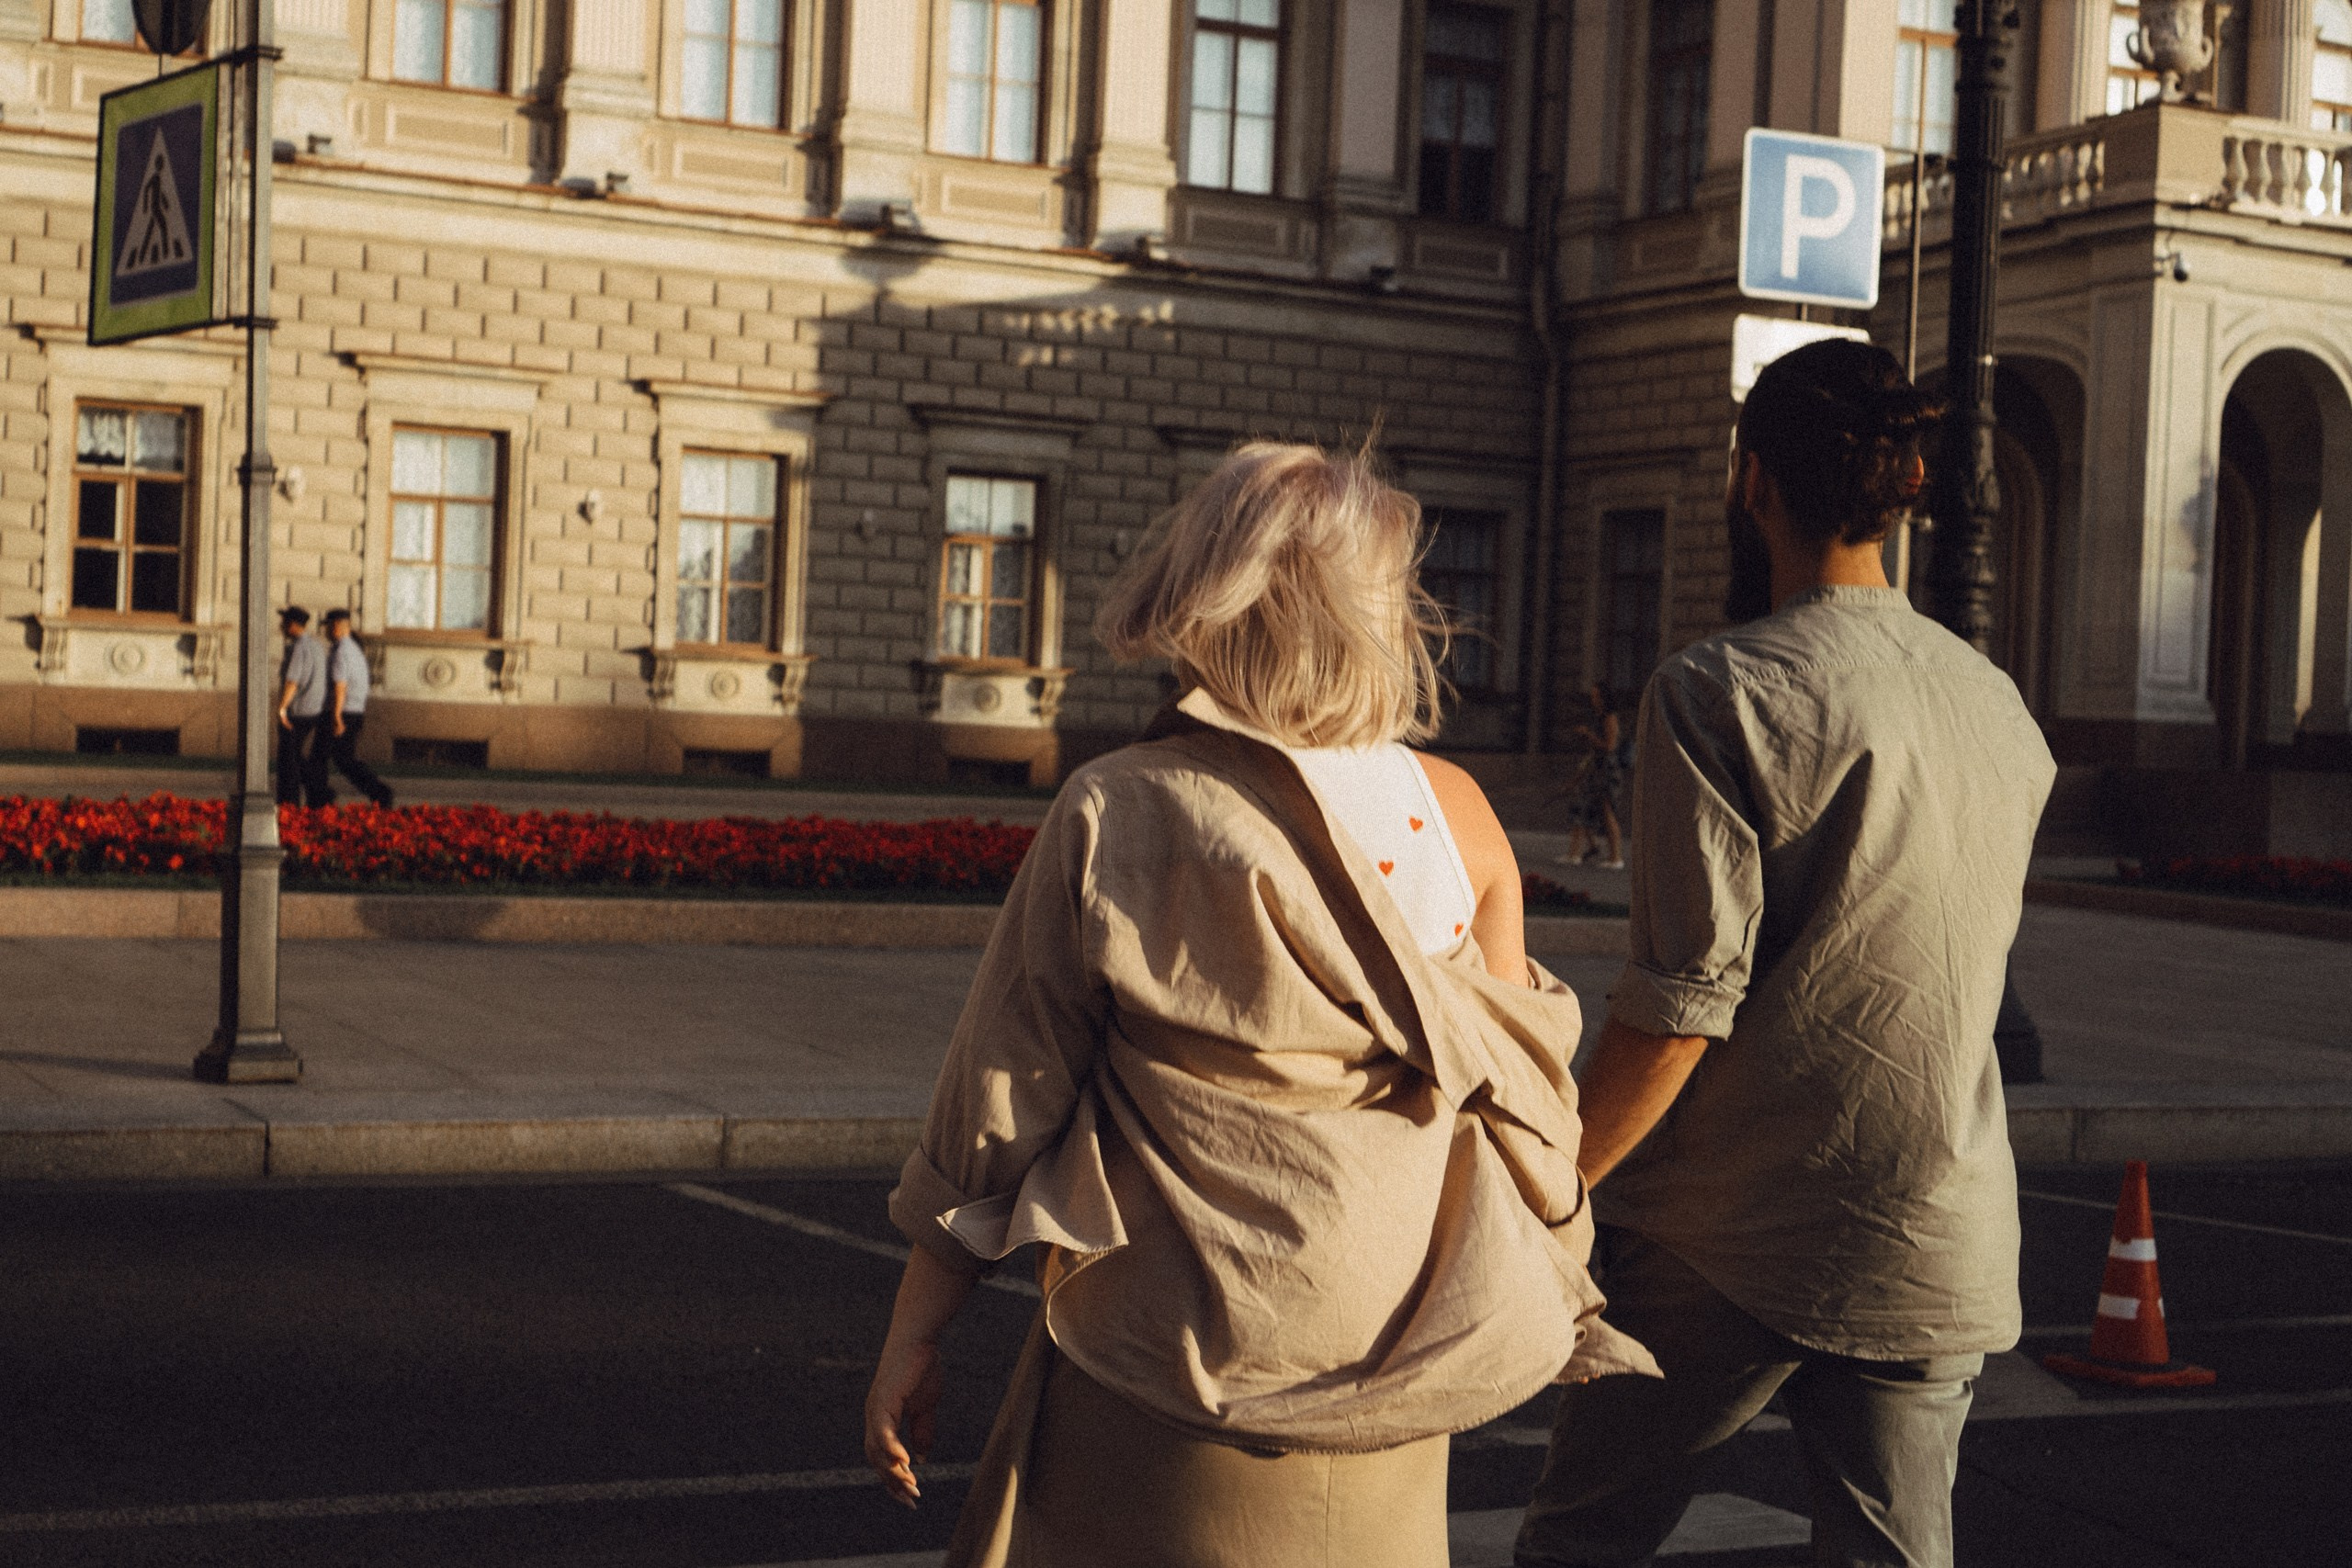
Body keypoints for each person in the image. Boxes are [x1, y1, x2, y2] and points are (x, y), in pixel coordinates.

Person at [864, 443, 1654, 1568]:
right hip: (1399, 1364)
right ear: (1382, 612)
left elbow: (999, 1104)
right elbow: (1521, 1095)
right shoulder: (1461, 814)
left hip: (1169, 1373)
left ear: (1205, 594)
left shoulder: (1122, 809)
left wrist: (914, 1334)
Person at [1514, 341, 2055, 1568]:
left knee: (1580, 1541)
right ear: (1910, 480)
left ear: (1751, 481)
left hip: (1730, 1234)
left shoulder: (1718, 688)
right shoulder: (1996, 701)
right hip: (1932, 1223)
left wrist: (1556, 1180)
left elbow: (1681, 1000)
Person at [320, 609, 394, 808]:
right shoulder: (354, 650)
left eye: (327, 626)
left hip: (342, 712)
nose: (325, 630)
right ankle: (377, 792)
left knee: (333, 759)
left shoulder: (340, 652)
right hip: (354, 711)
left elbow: (340, 686)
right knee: (338, 758)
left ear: (336, 626)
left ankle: (379, 792)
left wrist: (336, 717)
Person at [1562, 682, 1625, 871]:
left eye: (1597, 696)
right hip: (1596, 768)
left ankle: (1616, 857)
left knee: (1607, 812)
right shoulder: (1598, 717)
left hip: (1606, 770)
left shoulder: (1609, 718)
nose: (1594, 700)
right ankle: (1580, 851)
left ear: (1605, 698)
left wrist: (1588, 735)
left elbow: (1610, 746)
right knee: (1583, 807)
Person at [273, 606, 330, 807]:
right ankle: (319, 794)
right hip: (314, 709)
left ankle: (289, 803)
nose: (281, 626)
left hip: (297, 711)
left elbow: (292, 681)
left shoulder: (299, 648)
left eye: (284, 622)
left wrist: (281, 708)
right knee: (296, 756)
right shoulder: (316, 646)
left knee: (288, 761)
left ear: (293, 625)